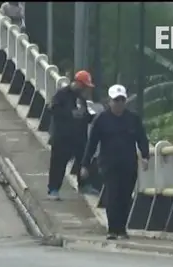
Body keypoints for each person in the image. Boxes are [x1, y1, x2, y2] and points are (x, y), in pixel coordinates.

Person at [80, 84, 150, 240]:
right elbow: (92, 144)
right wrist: (85, 165)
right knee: (113, 195)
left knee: (125, 197)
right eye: (116, 100)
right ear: (110, 102)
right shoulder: (101, 120)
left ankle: (122, 228)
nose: (119, 104)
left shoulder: (133, 119)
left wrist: (145, 156)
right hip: (109, 165)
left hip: (129, 164)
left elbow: (142, 139)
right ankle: (112, 229)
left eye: (121, 100)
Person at [47, 70, 95, 201]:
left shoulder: (81, 98)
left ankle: (83, 185)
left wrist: (91, 117)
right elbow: (52, 109)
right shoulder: (62, 94)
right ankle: (53, 189)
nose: (85, 89)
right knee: (58, 164)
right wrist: (69, 114)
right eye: (84, 86)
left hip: (79, 138)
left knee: (82, 161)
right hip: (62, 137)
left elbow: (84, 115)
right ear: (78, 83)